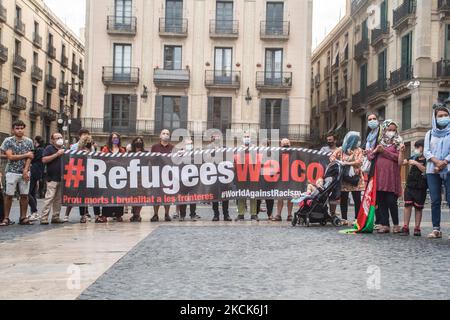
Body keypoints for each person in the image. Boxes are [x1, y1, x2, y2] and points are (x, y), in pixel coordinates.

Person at [367, 120, 405, 234]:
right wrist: (375, 150)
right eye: (389, 130)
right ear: (384, 130)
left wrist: (384, 152)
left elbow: (399, 160)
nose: (391, 132)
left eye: (394, 130)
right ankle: (385, 224)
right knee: (381, 201)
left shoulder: (398, 143)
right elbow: (369, 156)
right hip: (379, 177)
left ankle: (396, 224)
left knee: (391, 201)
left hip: (391, 177)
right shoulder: (379, 141)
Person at [0, 120, 35, 226]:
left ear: (24, 129)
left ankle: (23, 217)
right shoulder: (8, 140)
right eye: (17, 128)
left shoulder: (29, 141)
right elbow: (10, 156)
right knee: (8, 195)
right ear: (13, 129)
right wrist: (25, 155)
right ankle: (6, 218)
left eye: (21, 128)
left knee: (24, 195)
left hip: (24, 172)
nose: (19, 130)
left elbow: (31, 157)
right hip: (11, 171)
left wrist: (25, 170)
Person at [424, 104, 450, 240]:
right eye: (440, 116)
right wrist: (436, 162)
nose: (443, 118)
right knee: (435, 200)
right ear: (435, 118)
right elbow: (426, 151)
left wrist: (444, 162)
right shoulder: (429, 134)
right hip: (432, 170)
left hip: (448, 168)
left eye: (446, 115)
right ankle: (436, 229)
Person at [330, 132, 365, 226]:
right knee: (344, 199)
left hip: (355, 178)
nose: (358, 142)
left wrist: (346, 163)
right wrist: (336, 161)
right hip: (344, 178)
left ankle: (357, 219)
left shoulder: (359, 150)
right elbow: (332, 157)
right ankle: (344, 219)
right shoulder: (341, 149)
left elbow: (359, 161)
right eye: (356, 140)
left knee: (357, 199)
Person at [400, 139, 427, 237]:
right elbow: (402, 162)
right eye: (415, 147)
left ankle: (417, 228)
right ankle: (405, 227)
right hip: (410, 185)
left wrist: (416, 163)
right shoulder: (413, 157)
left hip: (421, 187)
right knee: (407, 206)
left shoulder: (427, 159)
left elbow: (426, 170)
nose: (416, 149)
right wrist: (402, 152)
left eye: (418, 147)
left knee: (418, 208)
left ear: (424, 148)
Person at [40, 133, 66, 224]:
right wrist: (57, 154)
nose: (59, 139)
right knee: (49, 197)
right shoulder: (49, 148)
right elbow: (44, 160)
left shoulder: (64, 149)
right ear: (52, 140)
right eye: (57, 138)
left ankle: (56, 216)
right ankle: (44, 217)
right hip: (52, 178)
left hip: (61, 178)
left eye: (61, 137)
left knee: (58, 199)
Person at [100, 132, 127, 222]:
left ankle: (118, 214)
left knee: (119, 194)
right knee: (107, 194)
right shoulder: (105, 149)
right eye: (113, 137)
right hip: (107, 174)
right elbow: (102, 160)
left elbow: (124, 162)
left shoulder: (122, 150)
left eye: (116, 137)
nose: (115, 139)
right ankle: (105, 214)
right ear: (110, 139)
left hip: (119, 174)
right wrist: (110, 162)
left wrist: (114, 162)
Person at [363, 113, 383, 228]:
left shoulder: (381, 133)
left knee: (378, 193)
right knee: (371, 192)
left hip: (379, 165)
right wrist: (367, 152)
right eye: (370, 119)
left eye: (374, 119)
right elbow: (367, 149)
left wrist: (372, 152)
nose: (372, 121)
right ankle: (374, 219)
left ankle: (381, 220)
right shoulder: (369, 135)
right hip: (371, 166)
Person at [206, 134, 232, 222]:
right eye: (214, 136)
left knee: (225, 194)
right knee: (215, 195)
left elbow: (228, 159)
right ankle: (216, 215)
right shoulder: (208, 147)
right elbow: (206, 159)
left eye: (218, 136)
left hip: (223, 174)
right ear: (212, 138)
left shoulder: (224, 147)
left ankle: (226, 214)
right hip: (213, 173)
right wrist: (214, 152)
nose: (216, 138)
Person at [151, 129, 174, 222]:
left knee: (167, 194)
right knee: (156, 195)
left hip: (168, 174)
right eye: (163, 133)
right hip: (157, 173)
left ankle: (167, 214)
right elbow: (151, 159)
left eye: (167, 134)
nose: (165, 135)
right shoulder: (154, 147)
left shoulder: (172, 147)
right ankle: (155, 214)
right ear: (160, 136)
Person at [235, 132, 259, 221]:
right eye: (245, 137)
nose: (246, 138)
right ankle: (241, 214)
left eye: (248, 137)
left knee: (253, 195)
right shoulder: (238, 149)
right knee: (241, 194)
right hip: (242, 175)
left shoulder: (255, 149)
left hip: (252, 175)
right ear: (242, 139)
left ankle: (253, 214)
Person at [177, 138, 200, 222]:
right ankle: (182, 215)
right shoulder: (179, 153)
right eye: (187, 144)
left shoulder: (196, 153)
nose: (189, 145)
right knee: (182, 197)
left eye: (190, 143)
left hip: (193, 179)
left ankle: (193, 214)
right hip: (182, 179)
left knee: (193, 197)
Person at [272, 138, 293, 222]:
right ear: (280, 145)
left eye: (287, 143)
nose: (286, 145)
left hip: (292, 178)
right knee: (280, 197)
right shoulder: (277, 153)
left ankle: (289, 215)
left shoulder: (294, 153)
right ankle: (278, 215)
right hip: (280, 178)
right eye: (284, 144)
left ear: (290, 144)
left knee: (290, 197)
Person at [319, 134, 339, 217]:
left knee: (334, 195)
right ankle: (324, 212)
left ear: (335, 140)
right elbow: (319, 157)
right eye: (328, 140)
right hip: (325, 175)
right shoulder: (323, 149)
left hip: (336, 175)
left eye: (330, 140)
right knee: (323, 193)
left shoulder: (339, 150)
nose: (328, 141)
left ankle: (333, 213)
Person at [77, 134, 95, 224]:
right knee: (83, 195)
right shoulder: (80, 152)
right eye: (87, 141)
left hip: (91, 175)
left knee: (90, 195)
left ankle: (90, 214)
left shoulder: (92, 151)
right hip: (82, 176)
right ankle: (83, 214)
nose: (89, 143)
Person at [28, 136, 45, 221]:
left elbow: (31, 159)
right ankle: (34, 212)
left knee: (27, 193)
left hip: (33, 172)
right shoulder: (42, 150)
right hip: (38, 172)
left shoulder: (38, 150)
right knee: (32, 193)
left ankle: (34, 211)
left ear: (36, 142)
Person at [129, 136, 146, 222]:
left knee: (140, 196)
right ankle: (134, 213)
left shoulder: (145, 153)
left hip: (141, 177)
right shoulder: (129, 153)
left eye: (140, 141)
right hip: (131, 176)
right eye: (137, 140)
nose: (139, 142)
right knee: (133, 196)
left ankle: (137, 214)